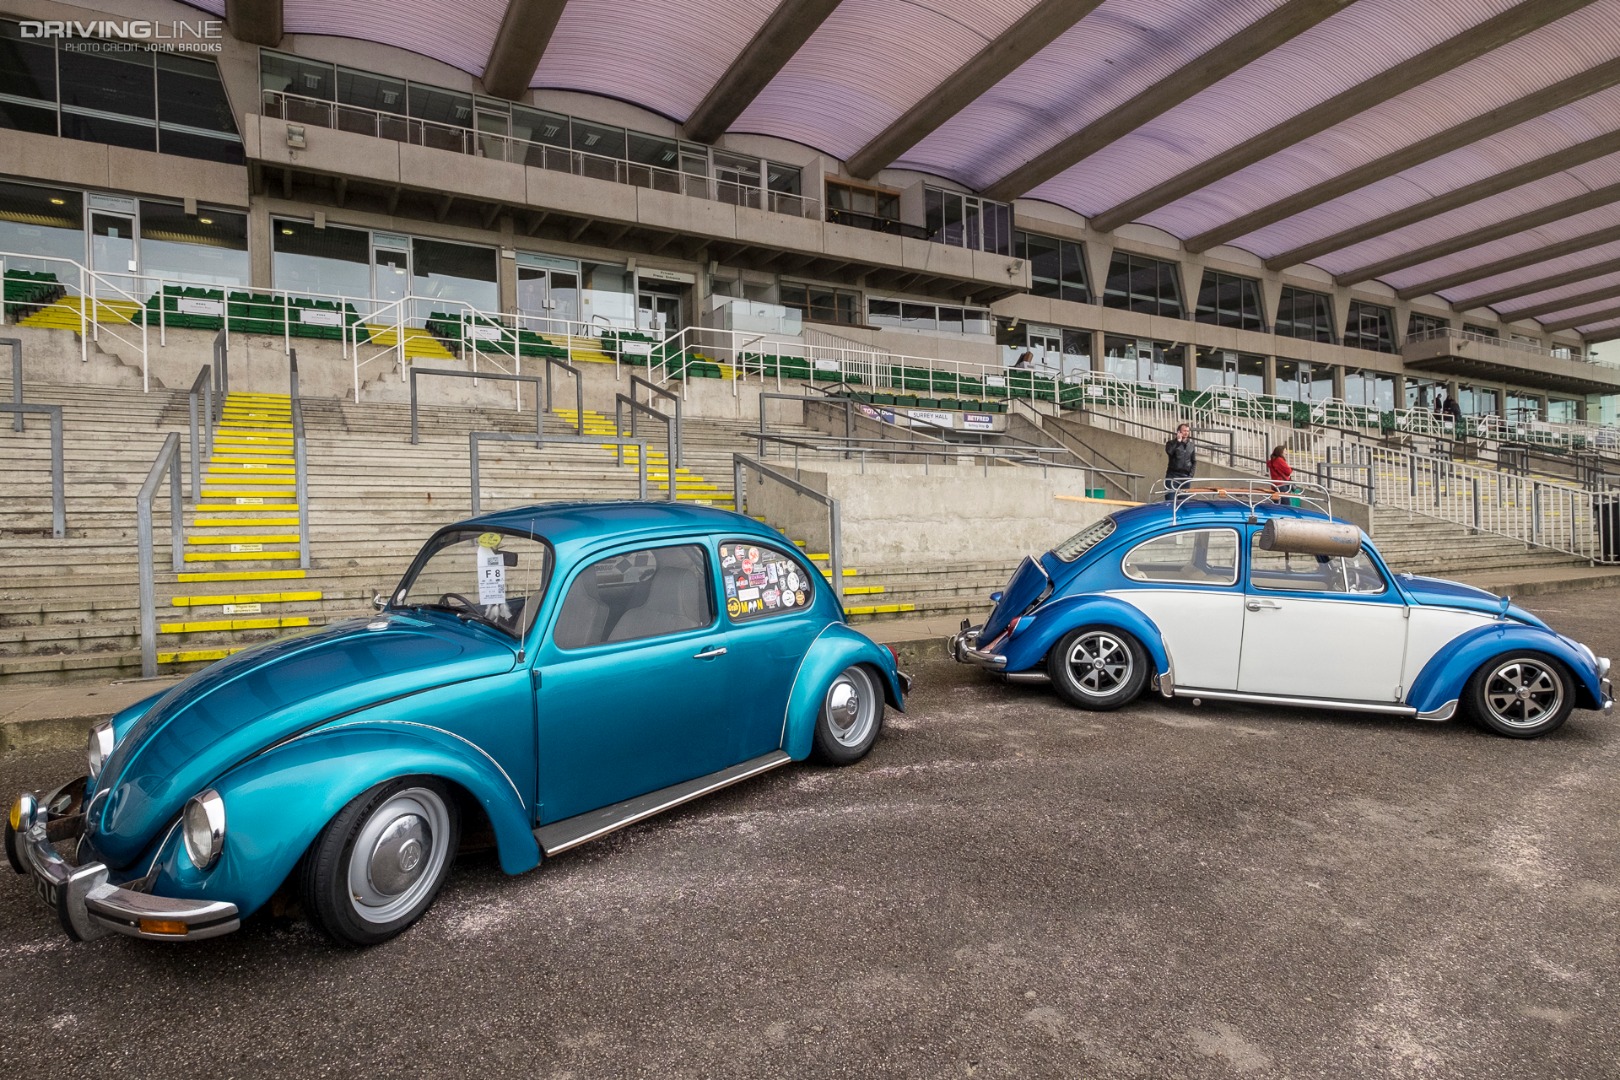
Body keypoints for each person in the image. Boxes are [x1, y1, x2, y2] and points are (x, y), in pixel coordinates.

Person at [1163, 422, 1195, 500]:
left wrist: (1191, 475)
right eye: (1184, 431)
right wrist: (1178, 442)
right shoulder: (1171, 443)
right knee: (1170, 500)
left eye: (1187, 431)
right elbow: (1169, 452)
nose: (1186, 433)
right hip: (1173, 475)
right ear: (1179, 432)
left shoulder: (1191, 445)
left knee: (1183, 502)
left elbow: (1193, 461)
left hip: (1185, 477)